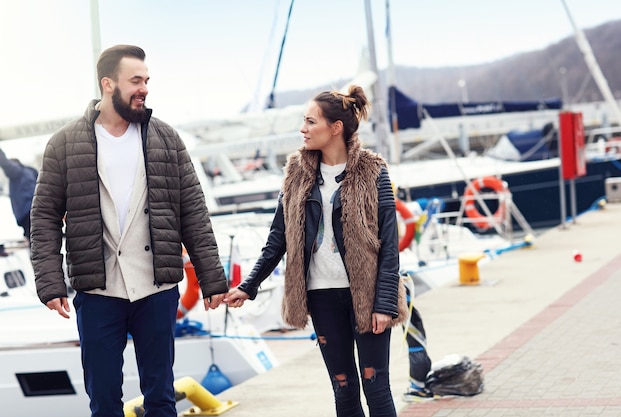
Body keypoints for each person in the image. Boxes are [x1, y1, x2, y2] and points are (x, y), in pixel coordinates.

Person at [30, 44, 228, 417]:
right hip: (98, 289)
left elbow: (194, 213)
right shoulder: (64, 144)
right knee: (104, 400)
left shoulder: (166, 139)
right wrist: (50, 282)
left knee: (161, 397)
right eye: (135, 80)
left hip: (157, 287)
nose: (144, 88)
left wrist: (212, 279)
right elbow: (43, 218)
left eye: (147, 80)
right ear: (108, 84)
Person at [225, 85, 408, 417]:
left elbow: (389, 245)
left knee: (375, 385)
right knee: (344, 388)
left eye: (310, 122)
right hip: (321, 295)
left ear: (335, 128)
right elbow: (277, 238)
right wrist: (247, 286)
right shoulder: (296, 172)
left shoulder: (373, 170)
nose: (303, 129)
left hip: (366, 295)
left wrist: (384, 304)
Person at [0, 148, 38, 240]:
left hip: (27, 212)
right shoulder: (30, 171)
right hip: (37, 209)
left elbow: (5, 163)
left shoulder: (16, 172)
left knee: (34, 242)